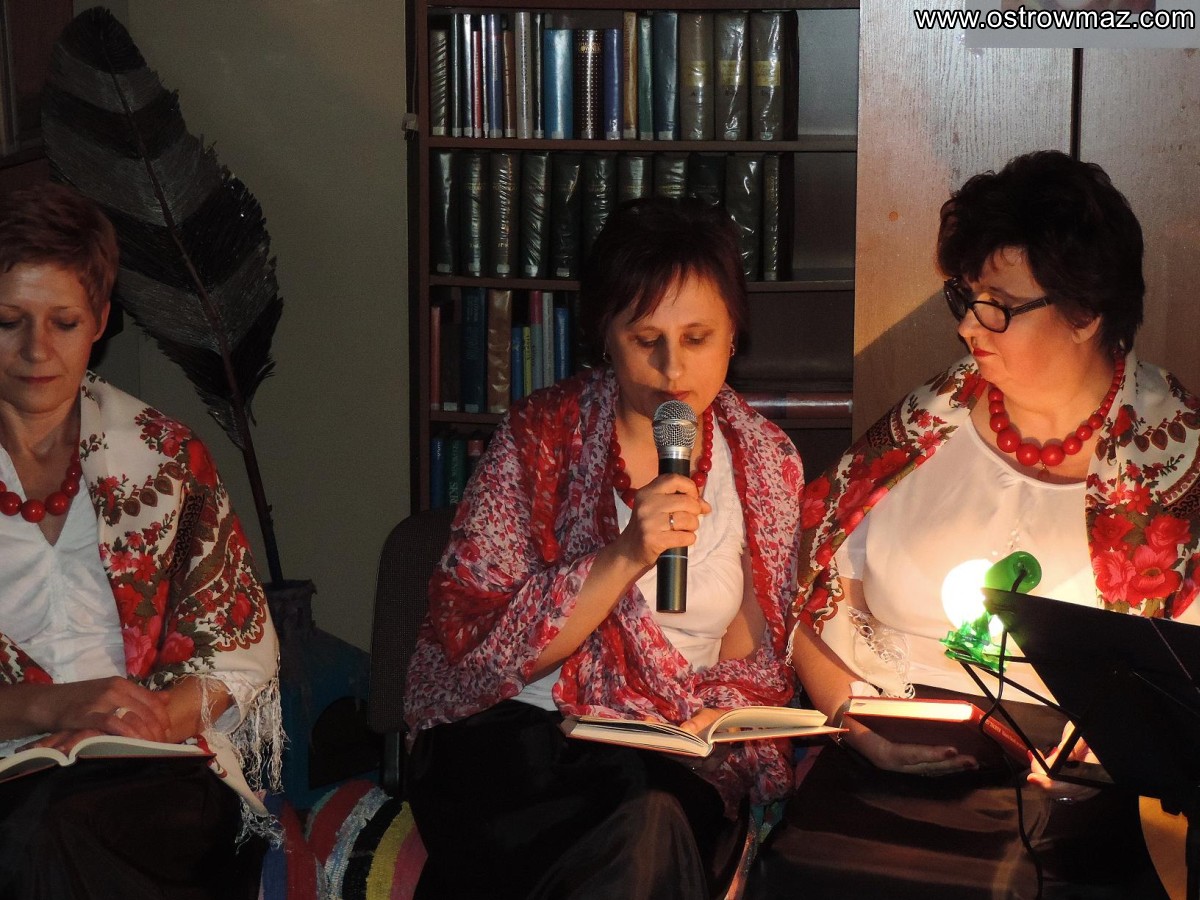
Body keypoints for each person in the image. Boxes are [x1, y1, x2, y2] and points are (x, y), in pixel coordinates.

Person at [765, 150, 1199, 898]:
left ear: (1086, 313)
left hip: (1082, 801)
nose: (969, 325)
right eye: (965, 298)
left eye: (998, 304)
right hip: (880, 768)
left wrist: (1097, 756)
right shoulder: (921, 429)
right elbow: (802, 591)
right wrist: (853, 720)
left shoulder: (1174, 468)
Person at [404, 196, 805, 899]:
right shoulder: (539, 436)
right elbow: (477, 645)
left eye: (697, 338)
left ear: (733, 336)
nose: (673, 369)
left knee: (653, 812)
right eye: (646, 339)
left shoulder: (765, 464)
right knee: (639, 822)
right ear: (605, 338)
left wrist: (716, 718)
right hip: (516, 732)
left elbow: (751, 656)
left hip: (664, 752)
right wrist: (623, 555)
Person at [0, 183, 281, 899]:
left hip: (157, 766)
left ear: (100, 320)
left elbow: (237, 651)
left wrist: (135, 724)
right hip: (9, 772)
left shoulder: (165, 459)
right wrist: (59, 709)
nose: (36, 350)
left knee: (56, 833)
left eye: (64, 322)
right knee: (39, 830)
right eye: (8, 321)